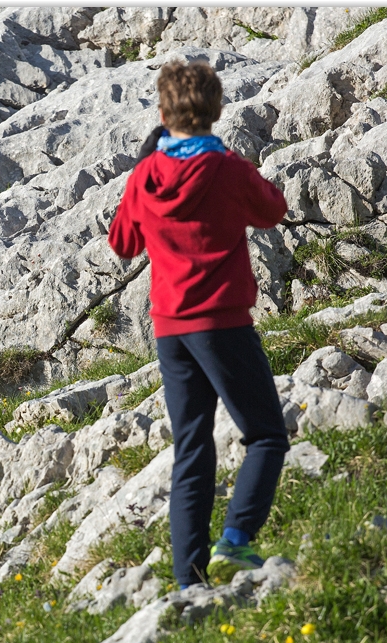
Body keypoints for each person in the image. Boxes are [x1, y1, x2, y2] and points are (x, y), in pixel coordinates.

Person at [107, 60, 290, 588]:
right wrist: (234, 160)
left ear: (163, 114)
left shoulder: (146, 176)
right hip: (223, 323)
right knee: (265, 435)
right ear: (217, 109)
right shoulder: (229, 170)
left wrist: (141, 167)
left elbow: (122, 243)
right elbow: (273, 209)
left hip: (169, 329)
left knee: (192, 448)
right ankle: (235, 540)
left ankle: (189, 580)